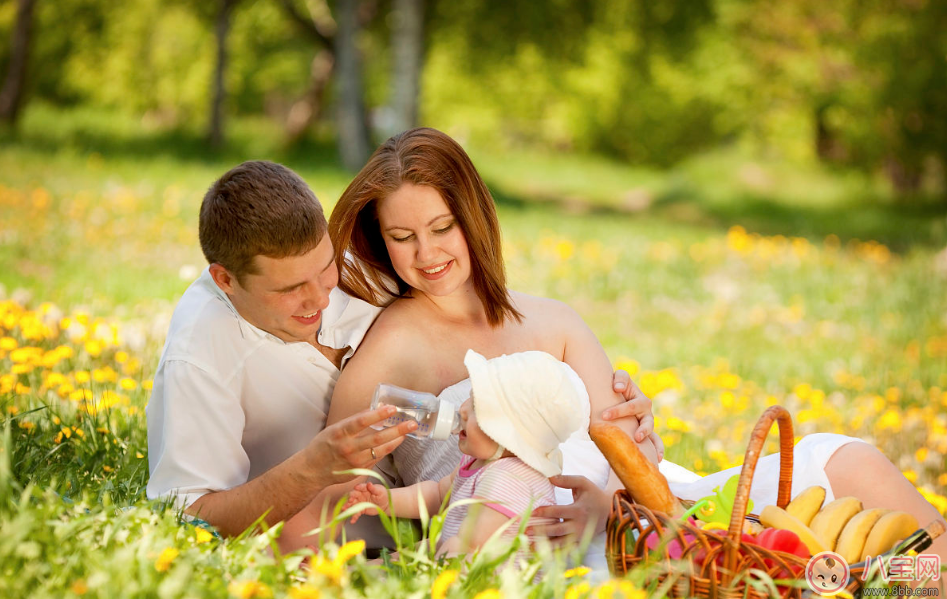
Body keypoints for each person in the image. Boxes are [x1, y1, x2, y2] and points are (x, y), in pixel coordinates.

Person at [325, 127, 947, 563]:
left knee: (849, 460)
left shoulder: (554, 322)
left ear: (474, 217)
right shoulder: (389, 349)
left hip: (644, 516)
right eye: (402, 236)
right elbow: (334, 496)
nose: (427, 254)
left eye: (442, 227)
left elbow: (639, 467)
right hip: (536, 533)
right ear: (378, 239)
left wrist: (627, 474)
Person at [145, 160, 654, 551]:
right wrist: (312, 471)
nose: (322, 299)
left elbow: (483, 312)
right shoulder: (200, 356)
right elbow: (195, 518)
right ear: (226, 280)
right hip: (416, 518)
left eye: (325, 270)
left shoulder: (374, 264)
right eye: (291, 290)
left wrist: (613, 435)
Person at [344, 350, 591, 558]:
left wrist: (409, 560)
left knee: (403, 562)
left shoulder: (511, 478)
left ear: (508, 435)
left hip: (497, 582)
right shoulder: (480, 461)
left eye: (477, 409)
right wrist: (387, 502)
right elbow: (438, 495)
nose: (462, 410)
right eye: (470, 399)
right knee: (402, 560)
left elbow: (469, 548)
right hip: (457, 556)